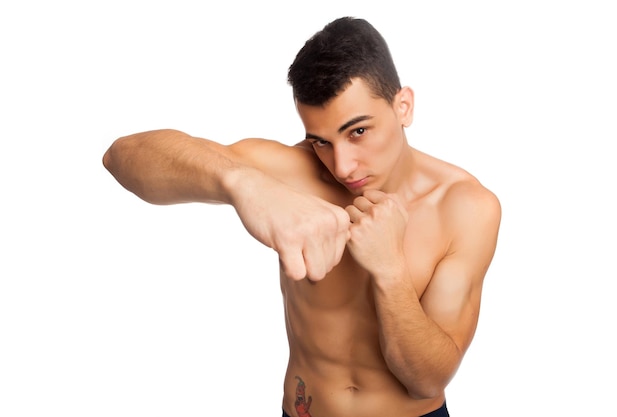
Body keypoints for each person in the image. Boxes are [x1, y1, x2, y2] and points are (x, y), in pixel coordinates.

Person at [103, 16, 501, 417]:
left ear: (403, 106)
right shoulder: (292, 173)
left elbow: (428, 380)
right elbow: (122, 156)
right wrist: (246, 187)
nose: (342, 166)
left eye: (358, 132)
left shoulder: (465, 207)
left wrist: (390, 271)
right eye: (321, 141)